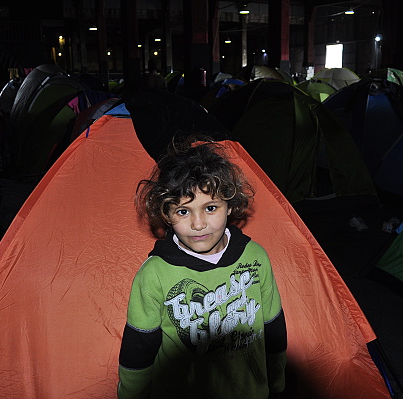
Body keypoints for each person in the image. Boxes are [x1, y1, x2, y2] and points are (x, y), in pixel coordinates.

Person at [117, 138, 288, 399]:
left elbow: (273, 327)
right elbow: (138, 347)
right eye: (183, 211)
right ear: (166, 214)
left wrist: (277, 382)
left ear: (229, 206)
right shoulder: (154, 274)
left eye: (210, 208)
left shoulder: (255, 257)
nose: (198, 224)